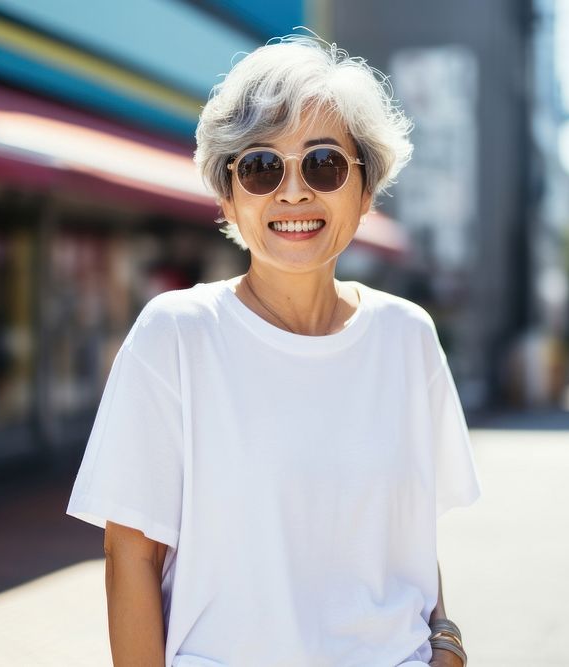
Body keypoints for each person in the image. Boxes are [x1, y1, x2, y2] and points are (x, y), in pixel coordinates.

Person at [66, 34, 481, 667]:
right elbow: (131, 560)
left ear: (365, 191)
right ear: (228, 195)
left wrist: (446, 644)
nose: (293, 193)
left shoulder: (409, 337)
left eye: (324, 164)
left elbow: (409, 541)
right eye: (261, 167)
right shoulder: (175, 336)